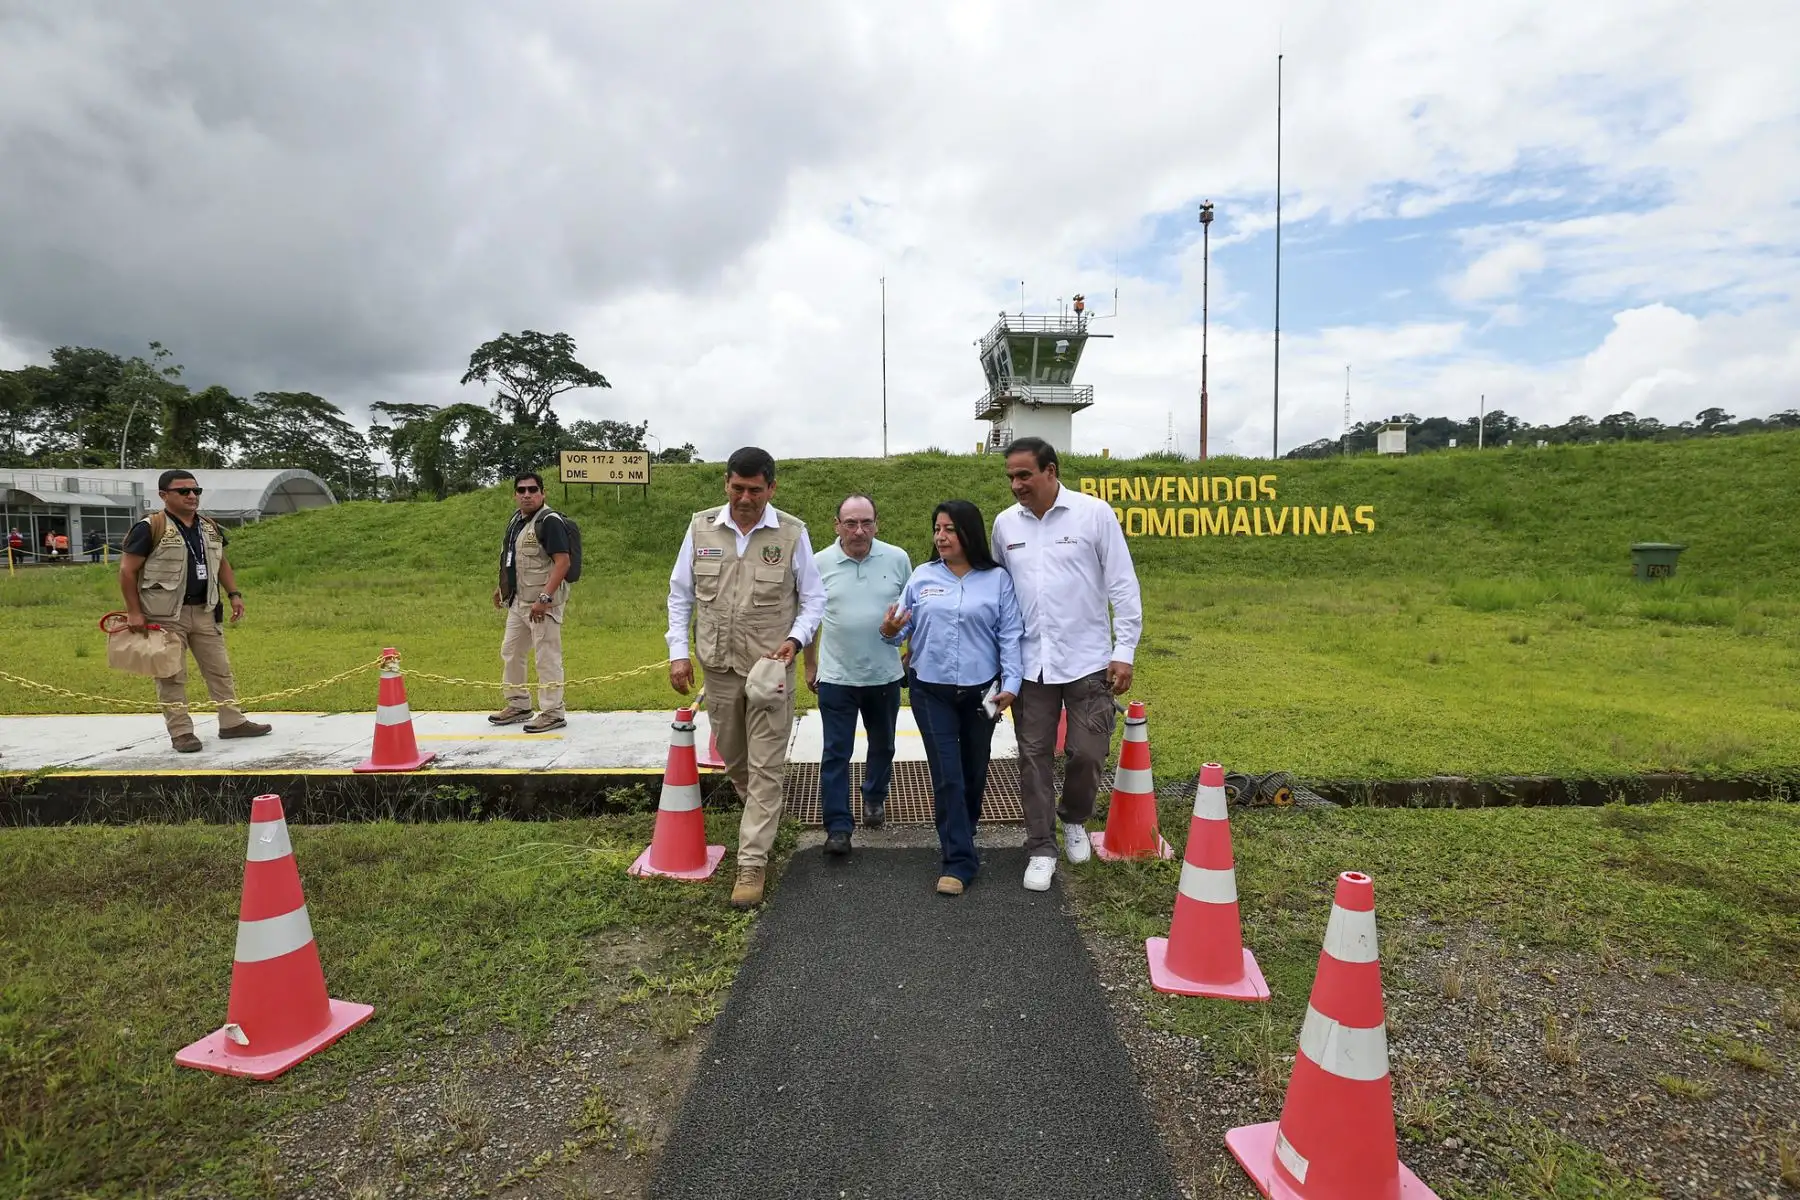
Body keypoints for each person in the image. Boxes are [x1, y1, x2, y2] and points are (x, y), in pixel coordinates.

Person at [666, 447, 826, 908]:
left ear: (771, 488)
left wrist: (795, 641)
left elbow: (814, 599)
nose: (746, 498)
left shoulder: (792, 534)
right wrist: (679, 653)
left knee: (766, 767)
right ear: (726, 483)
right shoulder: (701, 527)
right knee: (736, 761)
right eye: (738, 488)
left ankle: (752, 862)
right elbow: (681, 595)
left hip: (769, 672)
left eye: (756, 490)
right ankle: (764, 815)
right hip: (718, 668)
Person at [993, 437, 1142, 893]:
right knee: (1034, 756)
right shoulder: (1004, 525)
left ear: (1051, 470)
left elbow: (1122, 584)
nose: (1017, 485)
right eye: (1011, 477)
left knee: (1087, 752)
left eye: (1025, 475)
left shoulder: (1094, 514)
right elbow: (998, 591)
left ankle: (1074, 819)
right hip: (1030, 663)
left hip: (1089, 660)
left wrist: (1125, 650)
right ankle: (1040, 846)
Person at [880, 500, 1022, 896]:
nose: (940, 537)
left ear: (969, 534)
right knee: (947, 774)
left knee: (975, 769)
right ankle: (958, 860)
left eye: (950, 529)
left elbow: (1010, 634)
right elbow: (895, 633)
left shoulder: (997, 580)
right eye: (937, 528)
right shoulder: (923, 578)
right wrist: (889, 629)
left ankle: (963, 829)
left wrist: (1012, 681)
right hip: (930, 690)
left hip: (987, 691)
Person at [117, 470, 272, 752]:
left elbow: (221, 562)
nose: (192, 496)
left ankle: (232, 722)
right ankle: (181, 732)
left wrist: (234, 594)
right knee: (171, 674)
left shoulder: (209, 526)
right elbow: (127, 571)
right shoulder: (150, 527)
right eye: (184, 491)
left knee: (220, 670)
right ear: (164, 495)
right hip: (166, 615)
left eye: (196, 491)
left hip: (205, 610)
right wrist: (134, 612)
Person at [804, 493, 911, 855]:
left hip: (884, 675)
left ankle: (874, 796)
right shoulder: (818, 563)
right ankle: (837, 827)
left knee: (884, 744)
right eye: (850, 522)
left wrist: (910, 650)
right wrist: (810, 663)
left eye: (866, 522)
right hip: (836, 676)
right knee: (836, 751)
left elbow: (913, 611)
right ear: (837, 525)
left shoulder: (897, 559)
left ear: (876, 524)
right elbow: (810, 617)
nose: (859, 530)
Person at [488, 472, 573, 733]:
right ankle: (519, 704)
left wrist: (544, 598)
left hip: (542, 605)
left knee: (546, 658)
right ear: (514, 494)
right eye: (521, 490)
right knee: (511, 652)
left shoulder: (550, 521)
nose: (527, 494)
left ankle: (552, 712)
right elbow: (515, 560)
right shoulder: (517, 521)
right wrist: (502, 588)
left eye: (532, 489)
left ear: (543, 493)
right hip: (518, 602)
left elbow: (563, 562)